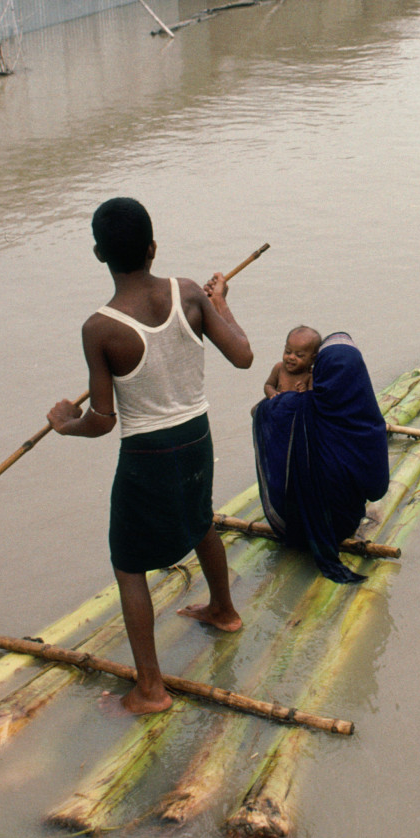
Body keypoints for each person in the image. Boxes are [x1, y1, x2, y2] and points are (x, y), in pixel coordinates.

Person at [46, 197, 254, 715]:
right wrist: (220, 302)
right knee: (200, 519)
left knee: (129, 564)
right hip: (197, 436)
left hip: (148, 451)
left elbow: (102, 420)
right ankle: (225, 612)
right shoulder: (188, 293)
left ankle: (151, 688)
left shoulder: (100, 328)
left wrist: (63, 425)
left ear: (99, 254)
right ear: (153, 247)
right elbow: (244, 356)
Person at [251, 332, 389, 583]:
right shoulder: (370, 428)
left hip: (290, 526)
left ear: (319, 368)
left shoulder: (294, 406)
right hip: (340, 527)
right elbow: (377, 489)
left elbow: (259, 413)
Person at [263, 326, 321, 399]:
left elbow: (312, 398)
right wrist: (273, 394)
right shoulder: (279, 368)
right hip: (277, 406)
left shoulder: (310, 375)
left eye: (299, 355)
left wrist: (304, 392)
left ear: (312, 359)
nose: (291, 357)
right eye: (288, 352)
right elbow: (268, 385)